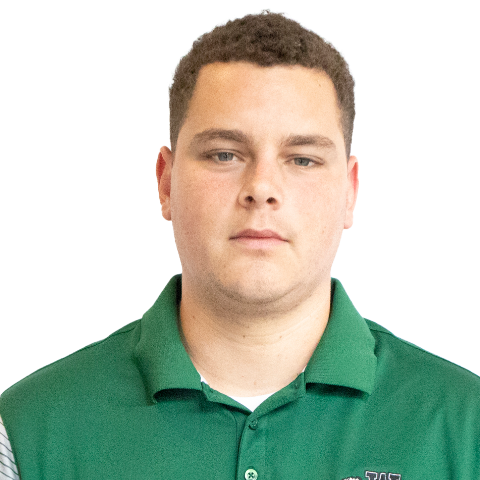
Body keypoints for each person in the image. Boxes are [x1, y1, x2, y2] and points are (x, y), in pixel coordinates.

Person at [1, 8, 478, 480]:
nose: (261, 187)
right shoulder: (26, 429)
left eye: (303, 159)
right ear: (165, 184)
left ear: (350, 191)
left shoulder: (468, 423)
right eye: (224, 154)